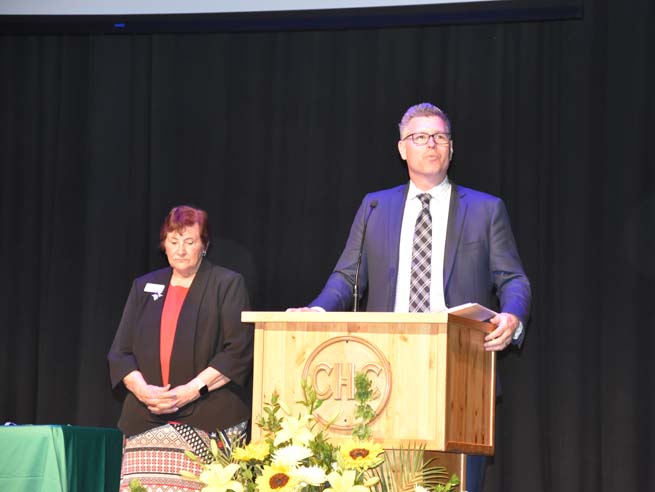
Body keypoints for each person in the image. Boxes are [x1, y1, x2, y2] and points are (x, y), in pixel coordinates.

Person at [294, 103, 531, 491]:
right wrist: (317, 308)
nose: (431, 144)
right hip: (382, 365)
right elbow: (347, 276)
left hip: (460, 366)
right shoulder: (375, 206)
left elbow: (513, 278)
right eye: (419, 137)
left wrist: (513, 317)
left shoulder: (486, 209)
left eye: (440, 136)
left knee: (451, 481)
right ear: (402, 148)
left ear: (451, 149)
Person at [108, 205, 253, 492]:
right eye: (173, 241)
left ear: (205, 245)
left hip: (210, 416)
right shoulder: (144, 286)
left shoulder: (227, 283)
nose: (181, 250)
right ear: (164, 244)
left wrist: (189, 391)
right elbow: (120, 354)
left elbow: (237, 351)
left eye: (190, 241)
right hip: (146, 418)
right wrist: (144, 391)